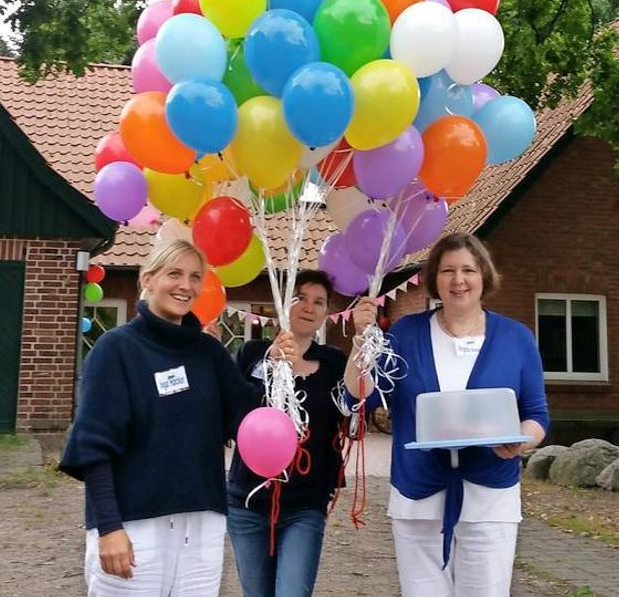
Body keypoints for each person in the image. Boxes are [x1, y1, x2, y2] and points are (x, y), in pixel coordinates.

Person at [345, 232, 550, 597]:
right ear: (434, 279)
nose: (458, 280)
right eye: (447, 270)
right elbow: (361, 395)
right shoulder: (406, 334)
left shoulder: (516, 338)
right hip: (418, 496)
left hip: (490, 499)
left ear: (484, 275)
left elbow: (536, 415)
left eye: (468, 270)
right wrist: (362, 340)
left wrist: (520, 442)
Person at [59, 239, 256, 596]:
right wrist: (108, 527)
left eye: (195, 277)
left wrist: (282, 367)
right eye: (174, 274)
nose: (186, 285)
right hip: (133, 528)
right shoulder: (115, 349)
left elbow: (248, 420)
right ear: (148, 279)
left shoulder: (210, 354)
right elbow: (93, 447)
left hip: (202, 529)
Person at [224, 270, 349, 597]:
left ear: (326, 312)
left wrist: (365, 338)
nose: (309, 307)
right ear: (283, 303)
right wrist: (271, 364)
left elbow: (353, 405)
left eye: (318, 302)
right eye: (300, 298)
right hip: (247, 503)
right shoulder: (251, 354)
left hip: (305, 506)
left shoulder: (334, 362)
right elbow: (231, 415)